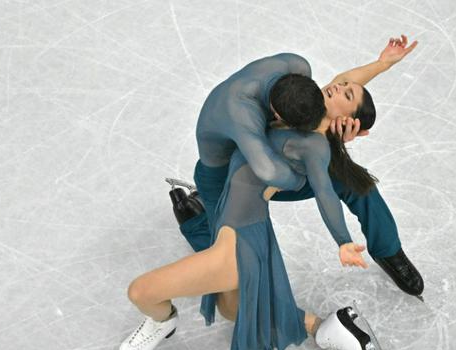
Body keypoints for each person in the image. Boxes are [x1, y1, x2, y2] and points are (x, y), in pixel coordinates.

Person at [118, 82, 386, 350]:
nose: (338, 87)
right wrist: (382, 65)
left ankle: (163, 321)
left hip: (238, 242)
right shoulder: (294, 113)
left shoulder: (314, 145)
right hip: (240, 227)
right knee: (231, 309)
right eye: (341, 85)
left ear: (348, 121)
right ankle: (326, 327)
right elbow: (336, 86)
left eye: (347, 94)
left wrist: (343, 240)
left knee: (140, 292)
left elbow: (325, 192)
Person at [177, 35, 424, 298]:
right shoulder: (242, 113)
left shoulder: (296, 73)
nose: (334, 88)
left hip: (274, 160)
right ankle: (197, 222)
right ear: (278, 115)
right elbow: (270, 172)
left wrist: (382, 64)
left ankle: (388, 250)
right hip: (230, 178)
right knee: (231, 264)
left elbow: (342, 82)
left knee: (356, 183)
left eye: (342, 91)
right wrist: (321, 153)